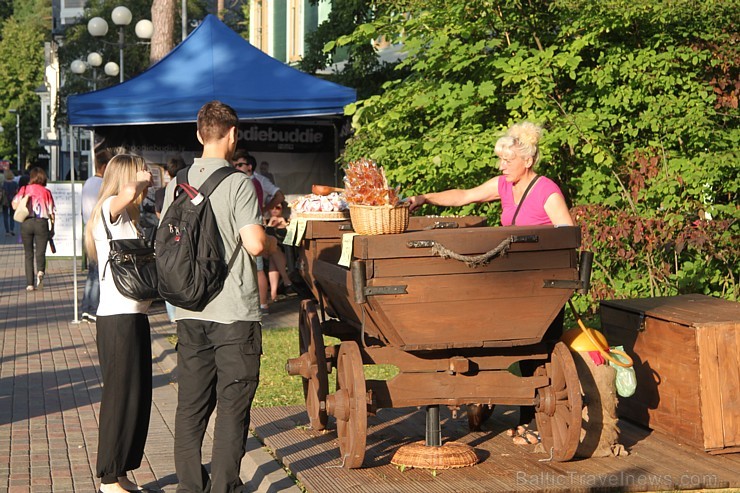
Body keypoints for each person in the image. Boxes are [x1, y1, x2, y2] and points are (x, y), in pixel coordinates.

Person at [408, 121, 575, 445]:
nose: (502, 166)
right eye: (501, 160)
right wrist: (424, 197)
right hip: (507, 284)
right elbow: (465, 196)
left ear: (527, 161)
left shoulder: (546, 190)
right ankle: (485, 390)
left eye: (507, 161)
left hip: (537, 284)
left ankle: (531, 421)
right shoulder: (502, 185)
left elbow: (567, 235)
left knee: (535, 355)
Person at [161, 101, 276, 493]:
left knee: (190, 408)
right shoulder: (239, 183)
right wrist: (272, 238)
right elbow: (255, 245)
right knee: (232, 407)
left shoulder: (176, 183)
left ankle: (190, 487)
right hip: (234, 315)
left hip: (189, 310)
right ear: (233, 135)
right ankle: (224, 486)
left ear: (198, 134)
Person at [84, 154, 155, 493]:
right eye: (140, 167)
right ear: (128, 174)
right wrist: (143, 179)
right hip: (118, 316)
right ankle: (109, 478)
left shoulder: (125, 213)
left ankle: (122, 471)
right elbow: (128, 190)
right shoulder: (111, 204)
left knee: (135, 398)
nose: (146, 173)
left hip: (132, 314)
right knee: (119, 397)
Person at [232, 150, 270, 315]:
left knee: (258, 268)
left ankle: (263, 304)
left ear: (249, 166)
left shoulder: (250, 182)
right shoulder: (249, 182)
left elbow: (278, 196)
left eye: (240, 164)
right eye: (235, 165)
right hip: (252, 226)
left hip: (252, 227)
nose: (237, 167)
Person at [80, 148, 113, 323]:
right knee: (99, 273)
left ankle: (86, 307)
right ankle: (93, 308)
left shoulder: (87, 183)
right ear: (105, 166)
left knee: (91, 272)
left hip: (88, 229)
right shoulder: (102, 185)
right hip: (99, 230)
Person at [155, 156, 187, 324]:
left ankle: (173, 316)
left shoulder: (162, 191)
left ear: (167, 172)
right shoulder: (191, 188)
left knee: (169, 274)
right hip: (186, 235)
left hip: (167, 236)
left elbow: (159, 214)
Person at [12, 167, 55, 292]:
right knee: (40, 252)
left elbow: (14, 205)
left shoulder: (24, 189)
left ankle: (30, 284)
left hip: (26, 222)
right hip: (42, 223)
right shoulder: (46, 192)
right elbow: (52, 212)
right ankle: (40, 271)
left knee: (28, 254)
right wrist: (52, 228)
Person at [2, 169, 19, 236]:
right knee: (12, 216)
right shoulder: (15, 183)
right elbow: (17, 192)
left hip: (5, 201)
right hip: (13, 201)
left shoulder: (3, 183)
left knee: (5, 216)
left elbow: (2, 192)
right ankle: (12, 229)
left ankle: (7, 231)